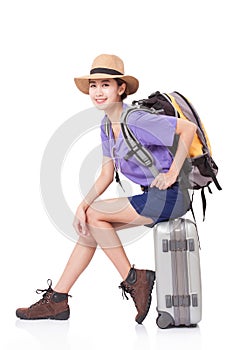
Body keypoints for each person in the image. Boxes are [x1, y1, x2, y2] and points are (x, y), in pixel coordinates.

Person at [16, 54, 196, 324]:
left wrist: (172, 173)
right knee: (90, 225)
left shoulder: (137, 120)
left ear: (120, 88)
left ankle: (135, 280)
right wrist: (83, 204)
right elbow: (106, 174)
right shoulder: (105, 125)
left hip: (172, 196)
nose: (98, 92)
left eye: (105, 85)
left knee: (96, 216)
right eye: (93, 86)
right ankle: (58, 300)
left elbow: (188, 129)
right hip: (153, 196)